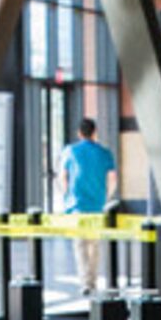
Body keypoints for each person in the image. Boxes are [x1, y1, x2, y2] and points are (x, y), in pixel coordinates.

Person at [56, 116, 115, 288]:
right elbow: (112, 179)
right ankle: (93, 279)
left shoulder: (70, 151)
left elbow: (63, 176)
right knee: (94, 245)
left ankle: (86, 282)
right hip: (97, 204)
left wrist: (66, 195)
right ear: (94, 133)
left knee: (80, 245)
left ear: (79, 133)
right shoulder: (105, 153)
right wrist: (107, 197)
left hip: (77, 205)